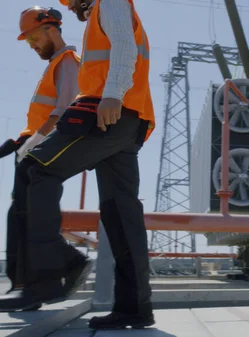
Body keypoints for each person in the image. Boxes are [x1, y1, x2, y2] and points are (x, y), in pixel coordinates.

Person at [0, 0, 156, 330]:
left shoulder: (109, 2)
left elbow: (123, 45)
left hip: (107, 111)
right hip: (130, 119)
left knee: (35, 169)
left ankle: (57, 270)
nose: (71, 8)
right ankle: (135, 307)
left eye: (71, 3)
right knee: (120, 213)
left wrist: (113, 92)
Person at [0, 6, 80, 312]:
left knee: (30, 215)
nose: (32, 44)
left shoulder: (68, 61)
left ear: (52, 30)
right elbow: (43, 115)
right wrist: (19, 140)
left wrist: (32, 143)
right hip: (33, 148)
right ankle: (23, 286)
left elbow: (64, 111)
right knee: (18, 216)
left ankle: (62, 267)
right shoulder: (54, 65)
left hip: (43, 151)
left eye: (34, 36)